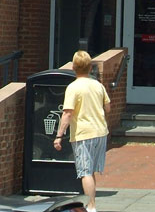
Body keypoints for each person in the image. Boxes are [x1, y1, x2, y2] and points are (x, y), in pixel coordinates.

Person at [53, 50, 111, 212]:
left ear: (73, 67)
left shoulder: (73, 87)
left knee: (85, 172)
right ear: (90, 67)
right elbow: (108, 107)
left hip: (83, 134)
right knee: (90, 171)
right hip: (100, 132)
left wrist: (59, 136)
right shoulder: (98, 85)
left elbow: (67, 113)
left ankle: (91, 207)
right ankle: (91, 204)